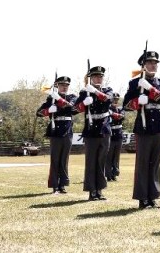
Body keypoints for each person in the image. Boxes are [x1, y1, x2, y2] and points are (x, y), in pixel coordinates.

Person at [123, 50, 160, 209]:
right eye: (150, 63)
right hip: (143, 126)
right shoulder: (134, 83)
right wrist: (138, 100)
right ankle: (143, 198)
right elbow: (127, 105)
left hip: (158, 125)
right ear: (143, 66)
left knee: (155, 162)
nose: (153, 65)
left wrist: (149, 88)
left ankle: (153, 196)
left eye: (155, 63)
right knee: (143, 162)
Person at [74, 66, 113, 200]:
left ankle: (100, 189)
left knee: (101, 161)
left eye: (100, 76)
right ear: (91, 78)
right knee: (91, 161)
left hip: (104, 129)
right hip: (91, 130)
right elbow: (75, 109)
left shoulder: (108, 90)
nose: (98, 78)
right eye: (95, 76)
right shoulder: (85, 92)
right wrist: (84, 103)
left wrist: (95, 92)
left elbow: (108, 100)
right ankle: (92, 191)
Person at [36, 76, 78, 194]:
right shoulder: (51, 99)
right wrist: (48, 111)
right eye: (62, 85)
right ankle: (55, 184)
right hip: (55, 130)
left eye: (66, 85)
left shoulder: (72, 97)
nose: (64, 87)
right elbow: (38, 113)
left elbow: (72, 107)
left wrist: (58, 99)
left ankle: (63, 184)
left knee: (64, 159)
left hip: (67, 129)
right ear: (57, 86)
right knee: (55, 159)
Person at [105, 92, 125, 182]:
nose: (115, 100)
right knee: (109, 156)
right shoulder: (106, 109)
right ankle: (108, 175)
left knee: (116, 156)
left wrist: (114, 115)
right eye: (113, 99)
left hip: (119, 134)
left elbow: (122, 117)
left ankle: (115, 174)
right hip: (111, 134)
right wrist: (114, 115)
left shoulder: (120, 109)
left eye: (116, 99)